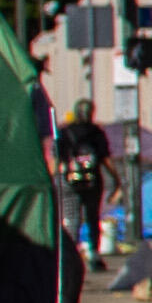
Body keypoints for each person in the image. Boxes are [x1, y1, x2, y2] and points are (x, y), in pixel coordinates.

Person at [54, 98, 112, 265]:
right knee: (92, 217)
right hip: (92, 180)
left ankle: (70, 256)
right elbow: (105, 159)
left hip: (69, 180)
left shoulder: (64, 132)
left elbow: (56, 158)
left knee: (71, 218)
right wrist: (115, 179)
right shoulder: (96, 132)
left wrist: (53, 177)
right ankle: (93, 254)